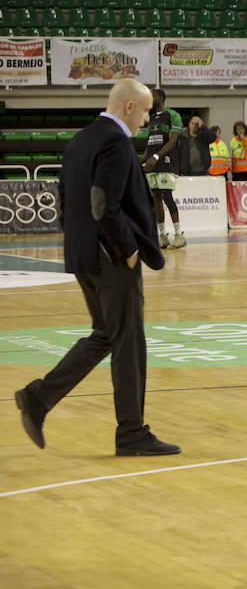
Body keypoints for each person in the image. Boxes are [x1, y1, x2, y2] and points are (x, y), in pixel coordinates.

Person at [14, 79, 180, 456]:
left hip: (84, 256)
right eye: (146, 111)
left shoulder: (80, 140)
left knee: (105, 335)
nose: (148, 119)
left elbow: (64, 198)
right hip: (112, 259)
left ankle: (38, 398)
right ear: (128, 108)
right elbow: (102, 202)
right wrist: (127, 251)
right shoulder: (116, 142)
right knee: (129, 343)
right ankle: (132, 433)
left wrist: (79, 245)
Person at [140, 88, 185, 249]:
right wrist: (139, 162)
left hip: (166, 161)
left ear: (160, 97)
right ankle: (163, 236)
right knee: (156, 198)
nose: (149, 98)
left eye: (152, 95)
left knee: (167, 196)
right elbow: (149, 145)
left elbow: (172, 141)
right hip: (153, 163)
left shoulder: (173, 115)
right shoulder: (152, 118)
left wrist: (156, 157)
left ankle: (180, 235)